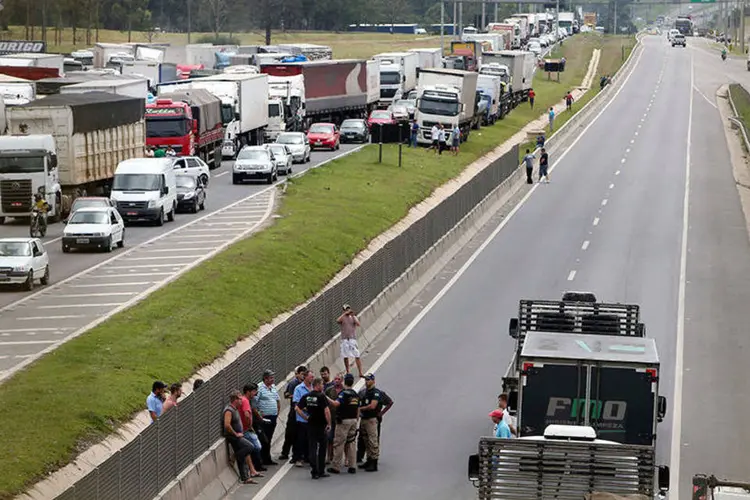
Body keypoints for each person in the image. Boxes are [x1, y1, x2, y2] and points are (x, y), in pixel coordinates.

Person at [296, 378, 332, 479]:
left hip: (311, 425)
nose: (323, 386)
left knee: (312, 447)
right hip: (321, 426)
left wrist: (306, 417)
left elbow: (297, 408)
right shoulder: (321, 396)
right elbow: (327, 411)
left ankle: (314, 470)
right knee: (322, 448)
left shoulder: (307, 396)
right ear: (318, 385)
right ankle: (321, 470)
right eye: (322, 384)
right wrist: (329, 424)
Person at [223, 391, 260, 484]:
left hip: (238, 435)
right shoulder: (229, 410)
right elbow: (227, 425)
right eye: (240, 399)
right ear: (235, 400)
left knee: (243, 457)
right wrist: (235, 434)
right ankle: (235, 456)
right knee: (249, 447)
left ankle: (245, 477)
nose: (241, 401)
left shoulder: (235, 409)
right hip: (233, 437)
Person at [327, 373, 359, 475]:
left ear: (344, 381)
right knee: (351, 443)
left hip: (343, 421)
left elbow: (336, 404)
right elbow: (358, 409)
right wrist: (356, 420)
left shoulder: (343, 393)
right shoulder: (355, 394)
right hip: (353, 420)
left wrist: (326, 397)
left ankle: (336, 466)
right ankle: (352, 465)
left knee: (339, 443)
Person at [280, 365, 307, 461]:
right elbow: (286, 394)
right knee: (290, 432)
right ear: (298, 374)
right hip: (294, 410)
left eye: (305, 374)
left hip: (302, 411)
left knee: (300, 434)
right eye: (302, 374)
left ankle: (299, 454)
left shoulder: (306, 385)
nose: (303, 376)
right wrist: (295, 395)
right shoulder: (293, 384)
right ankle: (285, 452)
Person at [358, 373, 383, 472]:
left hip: (371, 419)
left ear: (373, 381)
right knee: (366, 440)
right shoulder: (364, 392)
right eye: (366, 380)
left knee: (373, 441)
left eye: (368, 380)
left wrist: (361, 408)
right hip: (364, 418)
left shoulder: (375, 392)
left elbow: (372, 406)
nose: (366, 381)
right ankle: (369, 459)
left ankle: (374, 462)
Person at [255, 369, 280, 465]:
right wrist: (260, 415)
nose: (273, 379)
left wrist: (277, 412)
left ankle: (267, 458)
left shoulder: (273, 387)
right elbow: (255, 402)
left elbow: (277, 400)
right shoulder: (260, 387)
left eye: (273, 377)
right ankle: (261, 459)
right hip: (264, 417)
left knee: (269, 438)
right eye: (271, 378)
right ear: (265, 378)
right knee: (263, 439)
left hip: (273, 417)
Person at [240, 384, 266, 474]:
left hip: (245, 429)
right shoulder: (246, 401)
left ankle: (252, 469)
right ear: (248, 392)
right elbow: (246, 414)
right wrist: (249, 425)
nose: (255, 393)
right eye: (254, 391)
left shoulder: (245, 400)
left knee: (250, 447)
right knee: (256, 446)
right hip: (246, 429)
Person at [291, 369, 315, 467]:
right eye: (310, 377)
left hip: (312, 418)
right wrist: (307, 408)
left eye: (313, 377)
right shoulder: (298, 388)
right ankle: (298, 458)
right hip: (302, 418)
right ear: (305, 377)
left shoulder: (314, 388)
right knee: (300, 439)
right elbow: (296, 403)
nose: (312, 378)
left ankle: (308, 457)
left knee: (310, 439)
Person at [338, 305, 364, 378]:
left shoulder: (353, 317)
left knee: (357, 355)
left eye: (348, 309)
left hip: (352, 339)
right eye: (346, 309)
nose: (347, 311)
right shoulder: (342, 317)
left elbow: (358, 324)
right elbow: (338, 320)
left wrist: (353, 316)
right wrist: (344, 314)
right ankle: (348, 371)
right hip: (345, 339)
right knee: (345, 356)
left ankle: (360, 372)